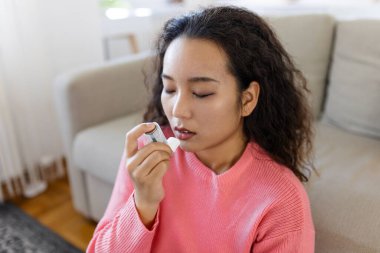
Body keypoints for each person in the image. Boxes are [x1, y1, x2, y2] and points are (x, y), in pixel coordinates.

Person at [87, 5, 315, 253]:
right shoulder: (148, 151)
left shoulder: (281, 200)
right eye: (170, 89)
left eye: (201, 93)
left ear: (247, 99)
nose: (177, 110)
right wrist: (142, 203)